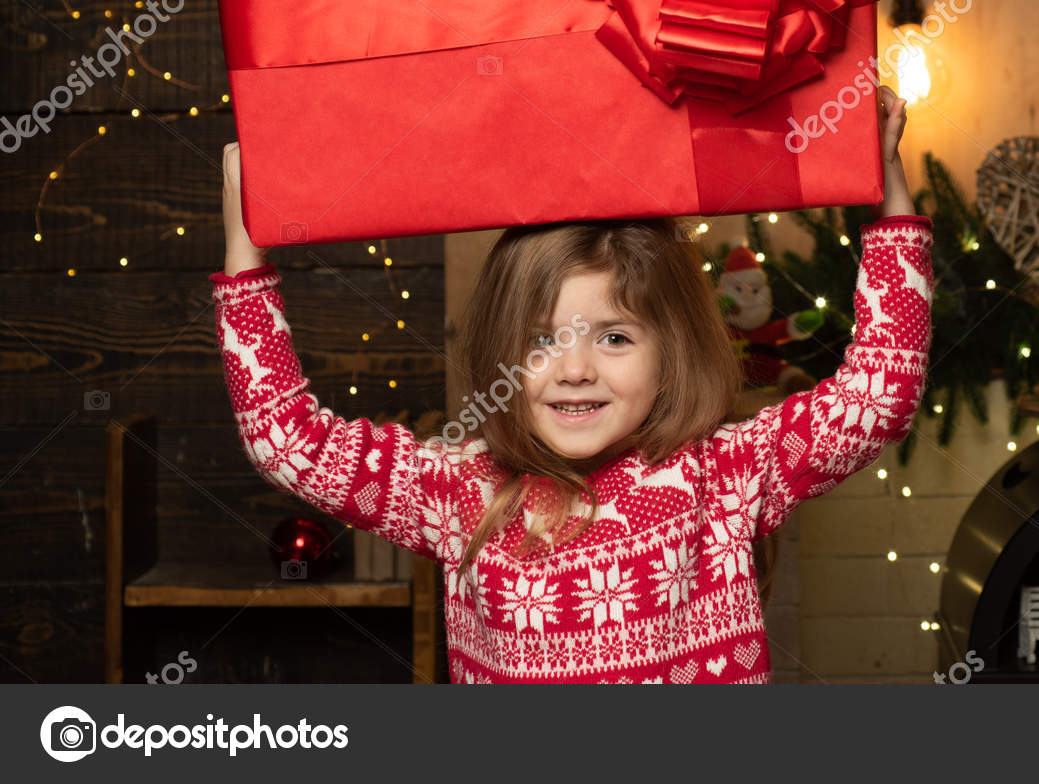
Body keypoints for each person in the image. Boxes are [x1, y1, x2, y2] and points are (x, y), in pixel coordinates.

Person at [213, 85, 933, 683]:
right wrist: (246, 248)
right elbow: (288, 442)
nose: (575, 369)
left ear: (671, 350)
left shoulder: (725, 474)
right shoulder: (459, 492)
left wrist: (889, 192)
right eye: (541, 341)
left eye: (614, 337)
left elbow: (879, 394)